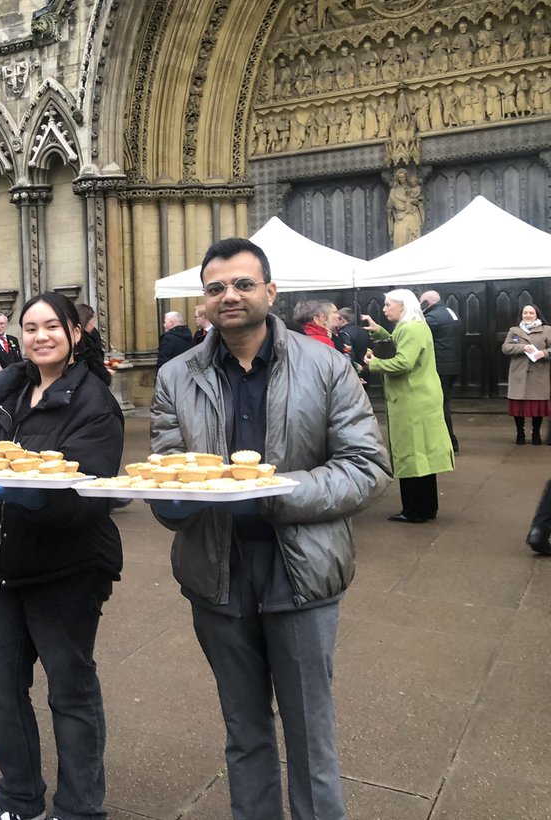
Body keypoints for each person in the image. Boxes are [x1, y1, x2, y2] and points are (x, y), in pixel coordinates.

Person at [151, 238, 389, 820]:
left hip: (301, 568)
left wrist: (275, 493)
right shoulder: (176, 376)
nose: (229, 296)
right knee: (244, 727)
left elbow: (367, 467)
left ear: (270, 292)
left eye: (242, 284)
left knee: (311, 732)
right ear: (203, 301)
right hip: (216, 570)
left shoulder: (325, 366)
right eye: (215, 288)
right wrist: (173, 499)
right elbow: (165, 467)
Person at [0, 292, 124, 820]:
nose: (40, 337)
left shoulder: (93, 400)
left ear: (74, 334)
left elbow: (96, 484)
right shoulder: (8, 393)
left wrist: (38, 495)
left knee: (70, 691)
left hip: (67, 566)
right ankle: (18, 799)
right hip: (0, 563)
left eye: (52, 327)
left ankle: (80, 809)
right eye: (30, 328)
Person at [363, 289, 454, 523]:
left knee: (411, 454)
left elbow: (404, 362)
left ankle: (414, 510)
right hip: (421, 397)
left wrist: (375, 364)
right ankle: (428, 507)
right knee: (424, 455)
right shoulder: (415, 325)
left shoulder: (410, 328)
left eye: (388, 305)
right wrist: (380, 331)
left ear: (402, 306)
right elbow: (400, 345)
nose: (384, 309)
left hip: (411, 399)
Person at [419, 290, 464, 452]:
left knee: (439, 405)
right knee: (444, 403)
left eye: (421, 302)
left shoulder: (432, 318)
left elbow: (419, 335)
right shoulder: (450, 312)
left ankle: (450, 442)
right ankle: (449, 442)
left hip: (440, 367)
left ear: (426, 302)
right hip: (453, 365)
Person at [501, 304, 551, 445]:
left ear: (537, 315)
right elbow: (506, 347)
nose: (528, 315)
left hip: (539, 373)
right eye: (525, 313)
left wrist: (544, 353)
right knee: (518, 407)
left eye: (531, 313)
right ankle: (520, 433)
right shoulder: (514, 330)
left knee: (537, 406)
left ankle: (536, 433)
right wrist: (522, 347)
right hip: (519, 373)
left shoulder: (547, 330)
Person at [75, 302, 112, 387]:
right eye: (92, 321)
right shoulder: (86, 342)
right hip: (88, 386)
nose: (93, 324)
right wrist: (106, 374)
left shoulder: (87, 336)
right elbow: (95, 367)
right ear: (86, 321)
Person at [332, 307, 370, 384]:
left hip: (355, 371)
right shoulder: (362, 330)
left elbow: (348, 354)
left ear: (342, 319)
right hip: (367, 368)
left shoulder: (344, 333)